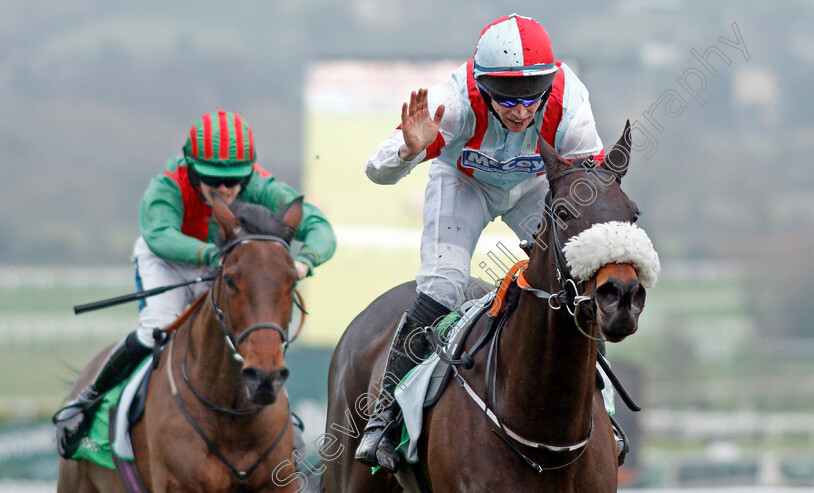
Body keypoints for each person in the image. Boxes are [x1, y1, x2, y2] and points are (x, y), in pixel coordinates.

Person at [355, 14, 613, 472]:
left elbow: (585, 189)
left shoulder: (571, 104)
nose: (520, 111)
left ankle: (602, 415)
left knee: (578, 279)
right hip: (464, 183)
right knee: (442, 287)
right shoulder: (451, 103)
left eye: (532, 96)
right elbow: (374, 172)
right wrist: (408, 151)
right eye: (507, 98)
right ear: (481, 84)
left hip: (534, 187)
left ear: (550, 82)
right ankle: (383, 417)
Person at [55, 110, 337, 459]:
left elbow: (320, 227)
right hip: (169, 260)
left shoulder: (261, 185)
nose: (224, 189)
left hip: (223, 266)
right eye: (212, 179)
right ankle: (87, 401)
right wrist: (212, 256)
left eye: (233, 180)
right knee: (155, 328)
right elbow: (159, 234)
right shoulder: (168, 185)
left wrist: (304, 261)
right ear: (191, 167)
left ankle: (284, 420)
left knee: (251, 333)